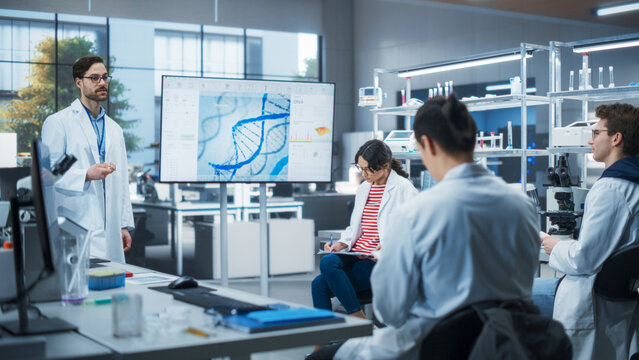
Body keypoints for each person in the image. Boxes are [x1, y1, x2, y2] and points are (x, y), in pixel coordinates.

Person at [309, 95, 540, 360]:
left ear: (426, 143)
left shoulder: (419, 212)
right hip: (506, 343)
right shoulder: (521, 204)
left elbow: (389, 309)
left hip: (439, 344)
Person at [533, 103, 639, 360]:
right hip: (616, 296)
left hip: (589, 296)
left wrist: (555, 245)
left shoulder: (612, 188)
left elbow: (584, 259)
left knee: (506, 295)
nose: (590, 141)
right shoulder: (631, 182)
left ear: (616, 138)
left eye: (595, 133)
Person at [311, 139, 417, 320]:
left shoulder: (403, 189)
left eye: (368, 169)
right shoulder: (364, 188)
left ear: (385, 166)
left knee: (319, 285)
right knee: (328, 261)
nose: (364, 174)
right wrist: (341, 243)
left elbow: (414, 231)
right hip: (357, 252)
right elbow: (356, 227)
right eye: (361, 168)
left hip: (378, 260)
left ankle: (349, 327)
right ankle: (355, 320)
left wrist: (387, 247)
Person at [42, 56, 134, 263]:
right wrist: (85, 174)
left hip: (110, 227)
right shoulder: (58, 123)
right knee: (80, 287)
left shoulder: (115, 130)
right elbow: (48, 176)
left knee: (111, 284)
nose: (102, 83)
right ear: (78, 82)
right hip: (76, 223)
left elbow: (121, 183)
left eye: (104, 77)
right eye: (94, 78)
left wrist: (123, 224)